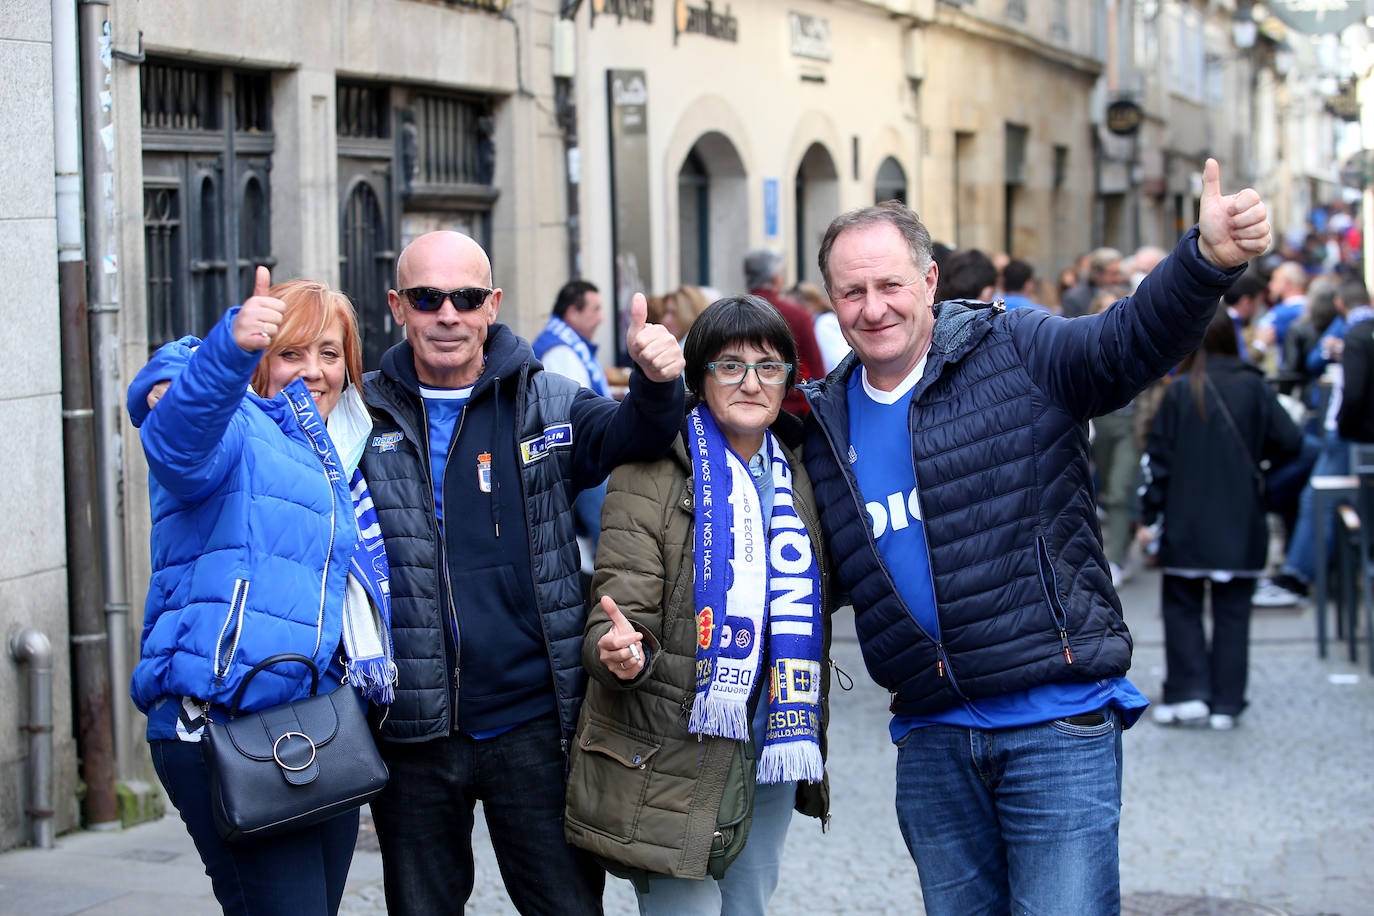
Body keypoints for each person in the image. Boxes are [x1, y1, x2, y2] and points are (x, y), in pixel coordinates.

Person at [800, 158, 1270, 914]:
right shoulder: (823, 424)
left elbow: (1126, 343)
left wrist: (1205, 260)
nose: (873, 307)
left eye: (890, 285)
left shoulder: (1014, 348)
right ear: (832, 301)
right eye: (852, 291)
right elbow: (803, 576)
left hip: (1055, 725)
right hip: (931, 736)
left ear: (929, 282)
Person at [357, 230, 685, 915]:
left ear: (492, 304)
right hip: (411, 728)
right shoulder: (359, 413)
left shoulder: (546, 400)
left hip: (532, 723)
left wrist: (659, 383)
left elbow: (636, 436)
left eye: (466, 297)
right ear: (397, 305)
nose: (447, 314)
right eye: (426, 298)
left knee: (564, 906)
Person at [126, 270, 395, 916]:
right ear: (260, 361)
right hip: (224, 726)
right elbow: (176, 442)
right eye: (292, 353)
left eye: (330, 354)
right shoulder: (236, 429)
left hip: (313, 726)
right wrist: (226, 351)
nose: (314, 372)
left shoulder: (342, 452)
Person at [565, 295, 832, 915]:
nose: (750, 382)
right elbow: (618, 609)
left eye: (768, 367)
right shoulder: (649, 471)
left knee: (749, 907)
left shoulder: (800, 471)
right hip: (670, 747)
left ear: (788, 379)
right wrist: (621, 654)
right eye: (728, 366)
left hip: (773, 732)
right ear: (696, 378)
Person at [1138, 308, 1302, 729]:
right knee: (1233, 613)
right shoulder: (1253, 386)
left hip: (1186, 520)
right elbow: (1292, 441)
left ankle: (1189, 691)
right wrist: (1262, 471)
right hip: (1240, 517)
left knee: (1182, 606)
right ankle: (1227, 701)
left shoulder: (1179, 392)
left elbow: (1159, 462)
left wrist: (1149, 514)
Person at [534, 279, 613, 557]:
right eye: (595, 309)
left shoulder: (564, 344)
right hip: (580, 455)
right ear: (572, 312)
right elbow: (577, 414)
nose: (602, 317)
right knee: (607, 539)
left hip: (579, 454)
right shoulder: (561, 351)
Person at [744, 248, 825, 416]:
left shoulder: (732, 315)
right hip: (790, 414)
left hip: (743, 407)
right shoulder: (797, 315)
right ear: (777, 279)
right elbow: (816, 370)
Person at [789, 280, 851, 372]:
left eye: (792, 310)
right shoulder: (825, 321)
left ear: (809, 308)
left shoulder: (824, 324)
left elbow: (835, 363)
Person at [1059, 246, 1125, 318]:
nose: (1118, 279)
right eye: (1113, 274)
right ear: (1097, 274)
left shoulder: (1125, 294)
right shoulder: (1074, 298)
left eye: (1119, 273)